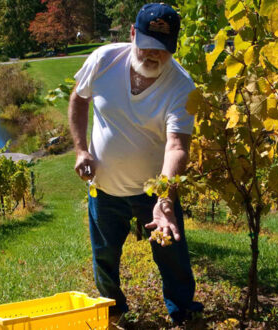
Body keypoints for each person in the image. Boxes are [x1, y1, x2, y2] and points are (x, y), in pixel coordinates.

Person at [68, 3, 203, 327]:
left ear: (173, 48)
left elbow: (177, 146)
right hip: (105, 186)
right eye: (147, 46)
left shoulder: (182, 87)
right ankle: (113, 312)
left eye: (163, 50)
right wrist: (80, 150)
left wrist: (165, 199)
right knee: (104, 256)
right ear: (132, 34)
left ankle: (183, 312)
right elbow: (79, 98)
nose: (153, 56)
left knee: (172, 256)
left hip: (154, 193)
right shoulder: (102, 61)